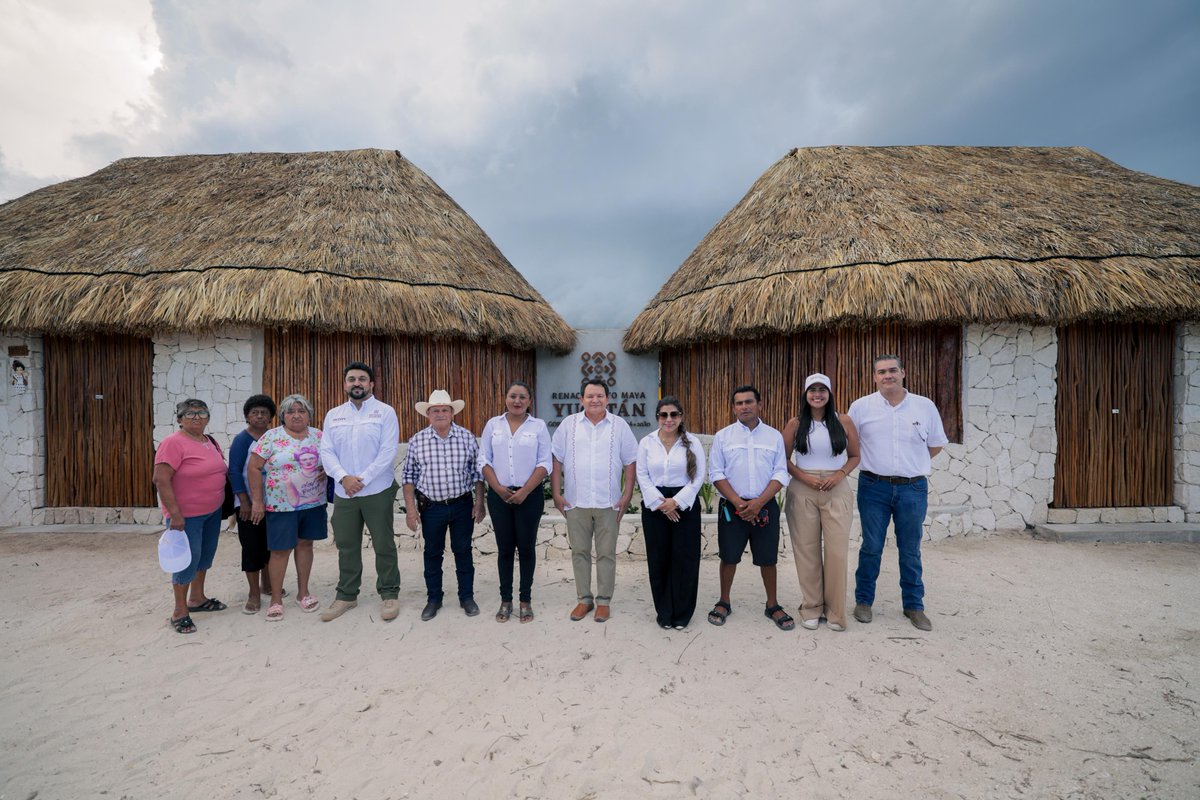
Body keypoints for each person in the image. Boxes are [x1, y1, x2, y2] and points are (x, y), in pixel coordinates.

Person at [848, 355, 948, 631]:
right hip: (873, 487)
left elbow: (936, 444)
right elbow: (850, 444)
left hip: (913, 488)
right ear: (874, 377)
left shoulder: (924, 406)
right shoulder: (860, 407)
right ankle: (864, 602)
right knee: (871, 547)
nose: (887, 375)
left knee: (910, 549)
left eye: (892, 370)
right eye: (881, 372)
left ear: (903, 372)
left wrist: (912, 463)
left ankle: (914, 606)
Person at [318, 362, 402, 623]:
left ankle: (389, 593)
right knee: (347, 545)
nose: (357, 383)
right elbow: (327, 451)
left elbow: (388, 451)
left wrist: (362, 479)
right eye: (351, 379)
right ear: (345, 384)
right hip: (345, 493)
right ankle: (346, 595)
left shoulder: (385, 413)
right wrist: (343, 477)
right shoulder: (334, 415)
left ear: (371, 384)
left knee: (384, 544)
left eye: (362, 379)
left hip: (376, 489)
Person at [706, 385, 794, 630]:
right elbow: (716, 472)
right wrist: (738, 501)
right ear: (733, 407)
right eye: (739, 403)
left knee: (768, 559)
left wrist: (758, 503)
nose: (744, 406)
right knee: (728, 556)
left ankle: (772, 604)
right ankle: (724, 601)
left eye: (749, 402)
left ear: (759, 404)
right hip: (732, 507)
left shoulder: (774, 436)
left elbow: (780, 472)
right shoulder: (723, 436)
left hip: (764, 507)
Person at [551, 378, 638, 623]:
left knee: (606, 554)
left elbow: (631, 460)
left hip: (608, 503)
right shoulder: (568, 425)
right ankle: (584, 600)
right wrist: (557, 493)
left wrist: (627, 494)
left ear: (607, 399)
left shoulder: (619, 426)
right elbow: (555, 459)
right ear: (582, 400)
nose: (595, 400)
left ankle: (603, 602)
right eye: (590, 396)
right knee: (579, 551)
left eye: (599, 395)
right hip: (576, 502)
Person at [781, 374, 861, 632]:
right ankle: (812, 608)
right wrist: (805, 478)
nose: (817, 394)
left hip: (837, 489)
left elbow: (855, 455)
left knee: (837, 552)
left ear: (829, 393)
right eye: (812, 390)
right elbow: (783, 460)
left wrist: (839, 475)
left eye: (822, 389)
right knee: (807, 551)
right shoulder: (795, 424)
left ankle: (836, 612)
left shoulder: (843, 421)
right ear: (805, 394)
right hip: (803, 489)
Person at [403, 389, 486, 621]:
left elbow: (478, 474)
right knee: (432, 554)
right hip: (431, 508)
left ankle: (467, 597)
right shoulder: (417, 441)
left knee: (463, 551)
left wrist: (480, 503)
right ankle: (434, 599)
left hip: (461, 505)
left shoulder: (467, 437)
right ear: (427, 414)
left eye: (444, 410)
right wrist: (411, 510)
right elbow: (408, 478)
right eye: (435, 410)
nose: (440, 413)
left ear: (452, 413)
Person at [247, 394, 328, 621]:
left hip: (313, 503)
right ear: (283, 415)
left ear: (309, 414)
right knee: (280, 550)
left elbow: (333, 459)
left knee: (305, 544)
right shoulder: (271, 437)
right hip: (280, 505)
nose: (296, 415)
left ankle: (303, 593)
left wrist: (328, 469)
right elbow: (254, 467)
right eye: (291, 411)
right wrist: (257, 501)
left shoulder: (319, 436)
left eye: (301, 410)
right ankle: (275, 600)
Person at [153, 399, 229, 634]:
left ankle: (197, 598)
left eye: (201, 413)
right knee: (186, 561)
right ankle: (179, 611)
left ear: (208, 417)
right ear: (179, 419)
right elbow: (161, 479)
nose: (196, 417)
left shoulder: (210, 441)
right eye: (189, 413)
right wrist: (175, 514)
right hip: (186, 516)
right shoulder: (173, 443)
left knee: (204, 556)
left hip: (212, 512)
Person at [479, 381, 552, 623]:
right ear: (505, 398)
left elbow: (544, 463)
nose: (517, 401)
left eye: (522, 397)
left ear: (529, 401)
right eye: (513, 396)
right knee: (505, 550)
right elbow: (484, 461)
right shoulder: (493, 425)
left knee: (527, 548)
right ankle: (505, 600)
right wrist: (498, 489)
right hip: (499, 497)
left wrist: (524, 491)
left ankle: (525, 600)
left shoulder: (538, 427)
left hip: (529, 497)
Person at [636, 396, 706, 629]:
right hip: (655, 507)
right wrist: (661, 504)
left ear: (681, 417)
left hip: (684, 505)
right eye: (664, 415)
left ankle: (682, 614)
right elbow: (642, 475)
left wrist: (675, 502)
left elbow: (698, 479)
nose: (669, 419)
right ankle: (664, 613)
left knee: (685, 560)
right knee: (659, 560)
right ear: (657, 417)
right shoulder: (646, 442)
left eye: (674, 414)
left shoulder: (693, 443)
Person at [228, 394, 279, 615]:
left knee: (271, 545)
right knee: (251, 547)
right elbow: (234, 471)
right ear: (247, 416)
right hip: (248, 504)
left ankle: (268, 585)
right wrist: (245, 502)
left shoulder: (274, 437)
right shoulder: (242, 439)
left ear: (271, 417)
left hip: (274, 503)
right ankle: (253, 593)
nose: (259, 416)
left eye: (264, 413)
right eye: (255, 412)